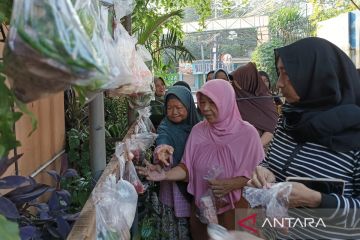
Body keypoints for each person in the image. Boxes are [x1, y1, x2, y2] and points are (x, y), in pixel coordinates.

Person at [248, 37, 360, 239]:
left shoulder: (355, 133)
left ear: (317, 76)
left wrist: (317, 200)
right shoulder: (289, 121)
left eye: (287, 74)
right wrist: (264, 170)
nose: (279, 84)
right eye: (279, 72)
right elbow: (272, 163)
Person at [139, 80, 264, 239]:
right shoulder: (198, 130)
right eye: (202, 102)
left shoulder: (248, 134)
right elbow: (186, 168)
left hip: (237, 210)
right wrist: (165, 175)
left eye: (212, 103)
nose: (205, 108)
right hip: (202, 211)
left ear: (226, 102)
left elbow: (260, 177)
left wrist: (232, 184)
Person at [149, 85, 201, 240]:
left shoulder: (199, 127)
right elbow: (162, 139)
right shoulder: (165, 126)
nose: (174, 112)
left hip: (196, 186)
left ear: (189, 106)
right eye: (169, 108)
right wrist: (162, 149)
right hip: (172, 187)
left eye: (179, 107)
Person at [231, 63, 278, 148]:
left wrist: (254, 148)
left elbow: (272, 127)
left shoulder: (265, 100)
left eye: (237, 79)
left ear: (247, 81)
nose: (234, 82)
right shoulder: (234, 99)